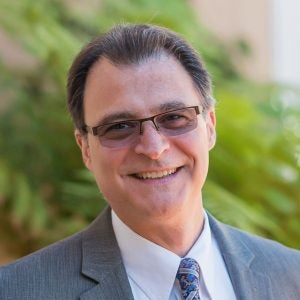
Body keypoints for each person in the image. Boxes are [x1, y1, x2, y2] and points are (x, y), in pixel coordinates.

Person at [0, 23, 300, 300]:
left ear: (209, 126)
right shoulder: (16, 291)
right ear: (86, 148)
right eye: (119, 126)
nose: (154, 148)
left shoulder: (292, 276)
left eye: (174, 118)